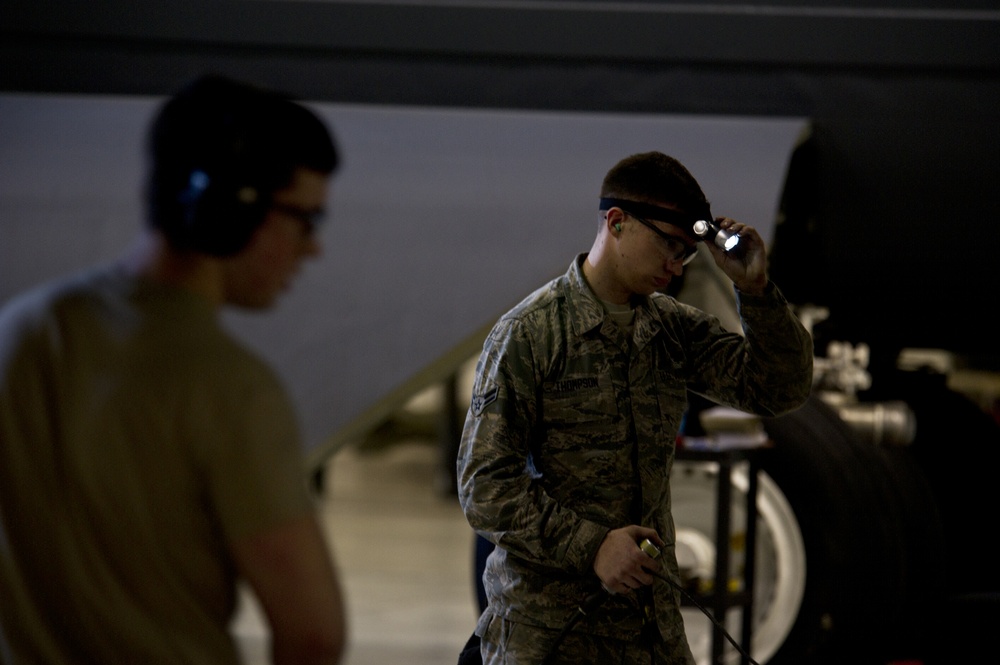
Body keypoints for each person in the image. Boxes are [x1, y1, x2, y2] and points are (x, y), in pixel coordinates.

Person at [0, 75, 347, 664]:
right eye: (304, 220)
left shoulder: (20, 329)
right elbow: (313, 633)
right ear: (232, 208)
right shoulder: (232, 389)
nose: (313, 249)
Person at [457, 151, 813, 664]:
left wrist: (754, 291)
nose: (677, 263)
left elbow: (779, 389)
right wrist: (592, 546)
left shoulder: (670, 329)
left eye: (688, 252)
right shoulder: (530, 335)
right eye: (668, 243)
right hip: (550, 634)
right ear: (616, 223)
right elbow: (484, 485)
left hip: (649, 631)